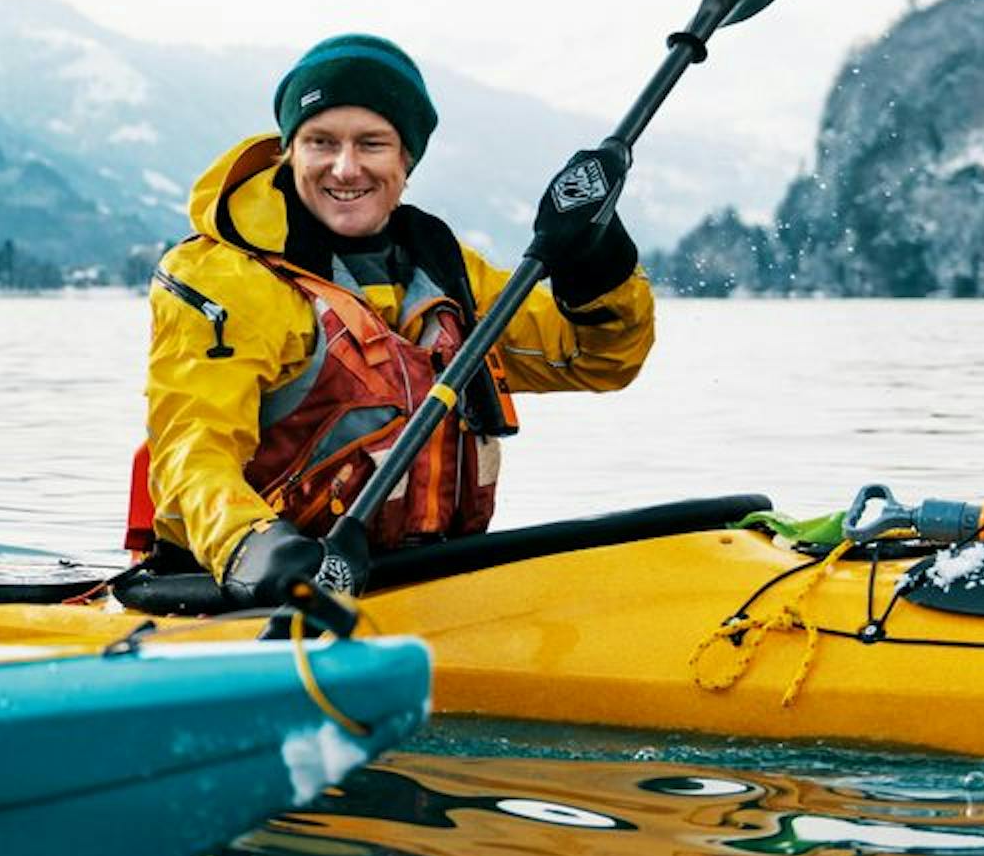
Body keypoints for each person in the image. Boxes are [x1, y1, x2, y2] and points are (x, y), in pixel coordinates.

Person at [131, 31, 650, 605]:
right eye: (320, 142)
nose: (345, 168)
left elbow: (596, 360)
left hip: (422, 584)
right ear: (288, 150)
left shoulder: (448, 271)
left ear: (407, 159)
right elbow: (191, 452)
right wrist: (256, 549)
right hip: (251, 593)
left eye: (372, 144)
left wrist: (597, 257)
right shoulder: (224, 279)